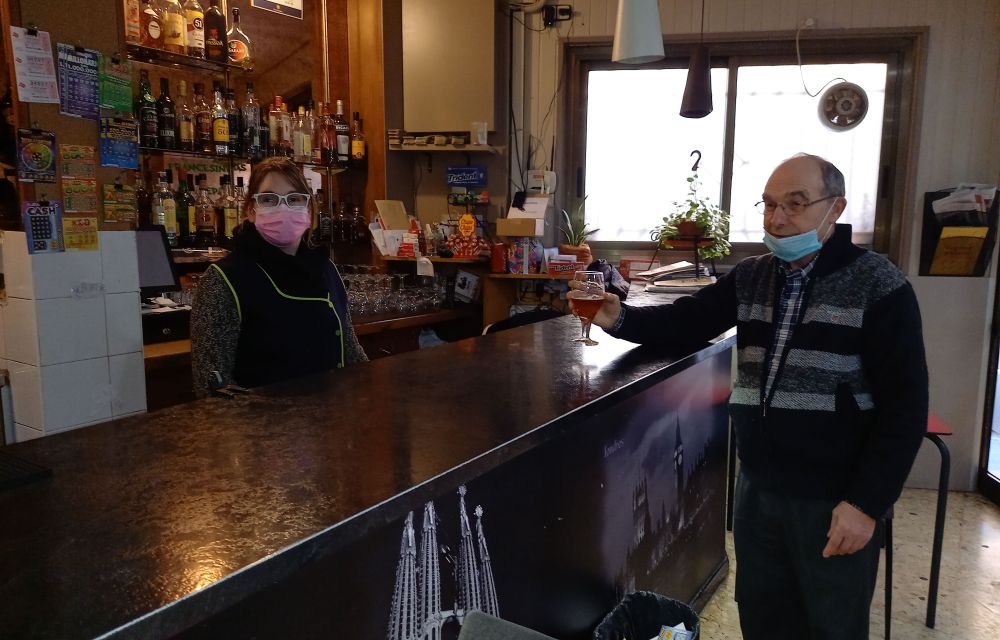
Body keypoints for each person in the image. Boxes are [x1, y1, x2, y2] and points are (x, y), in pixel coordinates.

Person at [577, 154, 928, 639]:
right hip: (758, 489)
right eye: (768, 204)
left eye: (795, 204)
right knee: (763, 618)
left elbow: (905, 407)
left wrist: (866, 504)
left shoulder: (878, 285)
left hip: (833, 497)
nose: (777, 218)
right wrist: (619, 317)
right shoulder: (754, 275)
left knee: (832, 624)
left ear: (836, 208)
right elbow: (687, 321)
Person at [191, 157, 366, 395]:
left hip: (334, 412)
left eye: (294, 199)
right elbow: (211, 386)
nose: (283, 208)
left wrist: (370, 395)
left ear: (309, 210)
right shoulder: (223, 279)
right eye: (269, 199)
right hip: (266, 418)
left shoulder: (325, 268)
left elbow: (352, 352)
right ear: (250, 210)